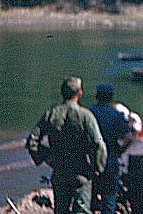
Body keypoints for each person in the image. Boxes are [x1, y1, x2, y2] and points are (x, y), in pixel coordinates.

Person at [26, 76, 107, 214]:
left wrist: (47, 157)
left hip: (60, 172)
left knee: (60, 210)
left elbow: (32, 141)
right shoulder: (86, 116)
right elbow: (98, 144)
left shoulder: (51, 113)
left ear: (62, 93)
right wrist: (98, 168)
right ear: (79, 93)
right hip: (81, 172)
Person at [89, 83, 133, 214]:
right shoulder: (117, 115)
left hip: (92, 160)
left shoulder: (89, 113)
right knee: (109, 198)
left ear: (97, 96)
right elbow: (128, 137)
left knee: (91, 196)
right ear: (111, 97)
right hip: (111, 159)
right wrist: (121, 150)